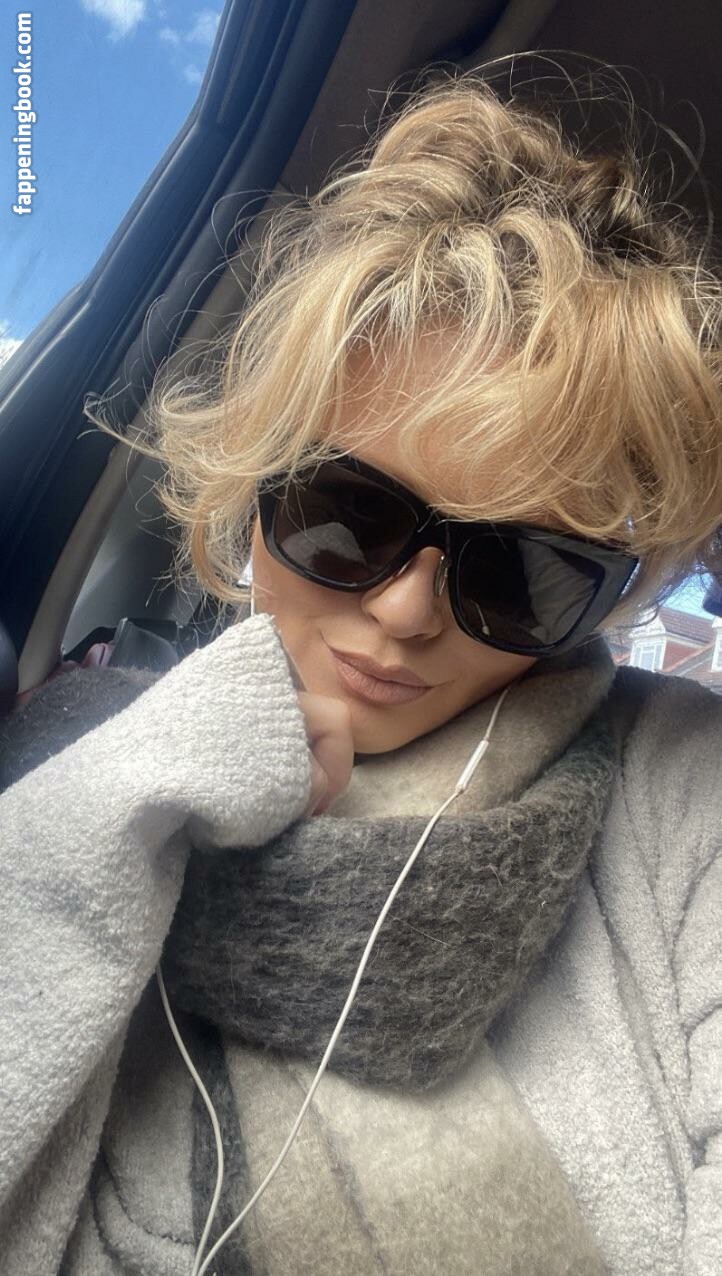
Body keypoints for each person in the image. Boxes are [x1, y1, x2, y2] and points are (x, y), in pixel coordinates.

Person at [1, 66, 721, 1276]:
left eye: (521, 571)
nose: (401, 612)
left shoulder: (683, 785)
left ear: (607, 596)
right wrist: (126, 806)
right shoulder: (78, 760)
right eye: (346, 514)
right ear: (252, 480)